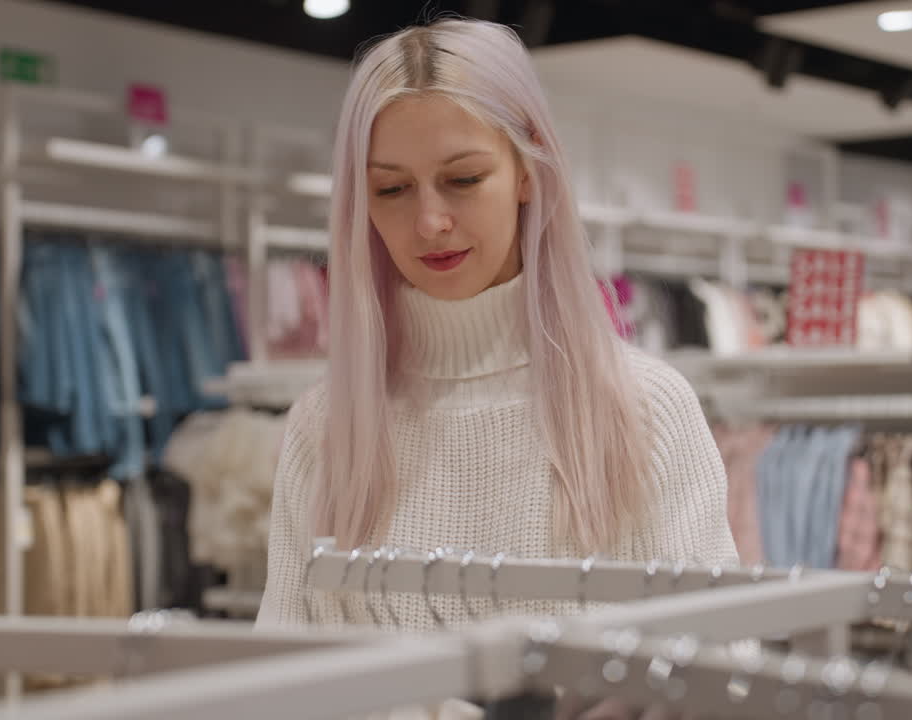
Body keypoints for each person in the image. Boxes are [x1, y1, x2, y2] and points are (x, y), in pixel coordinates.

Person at [256, 18, 738, 633]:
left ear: (528, 170)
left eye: (463, 180)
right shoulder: (326, 427)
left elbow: (718, 665)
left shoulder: (645, 410)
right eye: (392, 188)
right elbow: (280, 671)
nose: (430, 221)